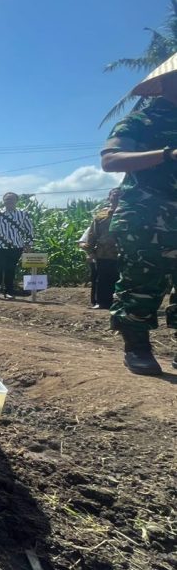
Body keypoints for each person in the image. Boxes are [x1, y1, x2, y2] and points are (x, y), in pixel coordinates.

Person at [100, 50, 177, 375]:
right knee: (142, 281)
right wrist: (167, 154)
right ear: (166, 81)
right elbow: (111, 160)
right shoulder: (140, 121)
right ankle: (137, 347)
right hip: (146, 214)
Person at [0, 192, 35, 299]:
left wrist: (29, 244)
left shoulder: (22, 214)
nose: (9, 201)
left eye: (11, 199)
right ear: (4, 201)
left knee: (10, 270)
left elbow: (29, 229)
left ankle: (9, 292)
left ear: (16, 201)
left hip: (16, 246)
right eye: (7, 199)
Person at [80, 188, 121, 310]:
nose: (117, 197)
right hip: (104, 253)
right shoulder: (101, 215)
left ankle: (120, 303)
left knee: (121, 279)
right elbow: (92, 234)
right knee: (103, 278)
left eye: (120, 195)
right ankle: (102, 303)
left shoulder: (129, 214)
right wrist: (90, 251)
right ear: (109, 198)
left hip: (124, 253)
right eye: (114, 195)